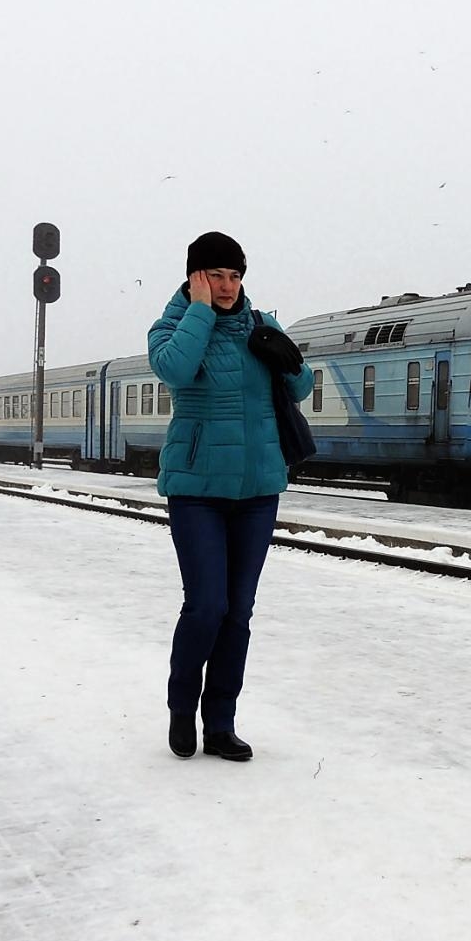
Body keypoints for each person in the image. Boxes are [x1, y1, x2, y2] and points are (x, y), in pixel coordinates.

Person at [148, 231, 314, 762]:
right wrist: (199, 311)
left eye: (234, 276)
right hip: (196, 489)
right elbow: (173, 369)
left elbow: (302, 386)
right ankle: (182, 707)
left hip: (258, 489)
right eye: (215, 275)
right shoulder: (173, 324)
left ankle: (221, 722)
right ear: (195, 276)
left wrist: (287, 355)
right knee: (207, 607)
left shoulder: (261, 324)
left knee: (238, 611)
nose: (226, 286)